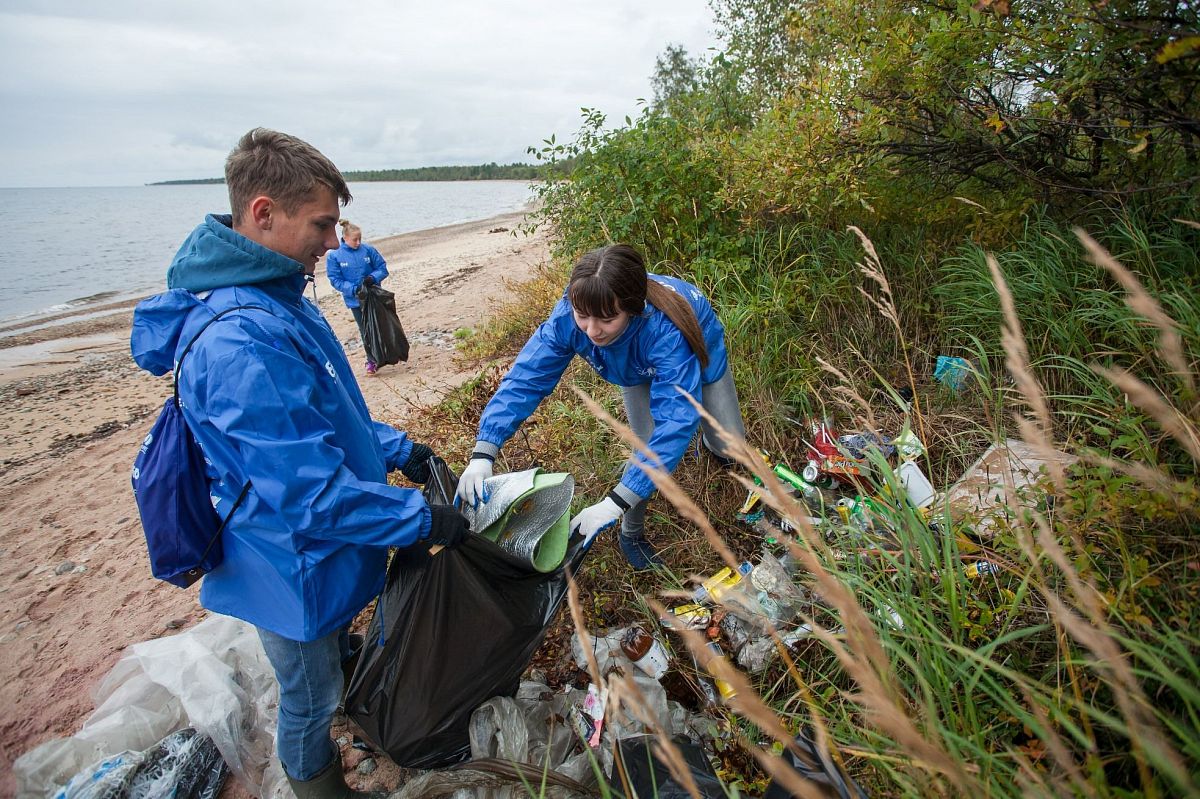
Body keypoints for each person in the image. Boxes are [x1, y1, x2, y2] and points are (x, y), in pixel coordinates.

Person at [129, 128, 470, 799]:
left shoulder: (278, 295)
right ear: (263, 212)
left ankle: (345, 709)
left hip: (314, 553)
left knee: (327, 670)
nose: (327, 238)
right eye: (320, 224)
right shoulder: (239, 339)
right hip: (290, 565)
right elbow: (310, 495)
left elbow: (325, 415)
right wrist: (419, 517)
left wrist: (405, 449)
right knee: (309, 701)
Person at [454, 243, 746, 570]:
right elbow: (526, 378)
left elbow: (676, 420)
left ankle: (712, 447)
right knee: (645, 446)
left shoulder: (666, 331)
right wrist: (484, 451)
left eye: (606, 319)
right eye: (583, 317)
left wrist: (612, 501)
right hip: (635, 368)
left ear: (633, 308)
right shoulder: (570, 313)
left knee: (730, 445)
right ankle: (631, 533)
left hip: (697, 345)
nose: (592, 331)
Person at [326, 219, 389, 375]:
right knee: (365, 329)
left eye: (360, 239)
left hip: (373, 296)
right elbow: (335, 279)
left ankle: (385, 354)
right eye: (355, 239)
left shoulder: (368, 250)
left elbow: (382, 268)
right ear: (345, 238)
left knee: (379, 326)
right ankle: (372, 360)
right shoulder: (335, 256)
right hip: (355, 300)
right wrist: (353, 289)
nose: (358, 242)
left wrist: (372, 278)